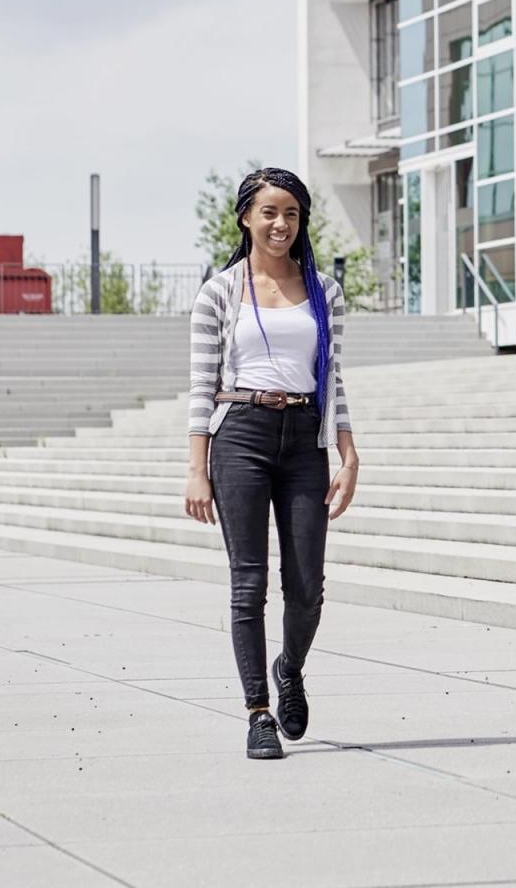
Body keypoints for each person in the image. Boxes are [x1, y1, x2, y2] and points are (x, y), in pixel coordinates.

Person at [184, 167, 358, 760]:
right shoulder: (220, 291)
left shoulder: (325, 291)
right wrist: (195, 465)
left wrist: (347, 449)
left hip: (305, 435)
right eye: (269, 212)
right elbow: (201, 384)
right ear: (245, 218)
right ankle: (258, 711)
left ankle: (290, 666)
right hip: (241, 434)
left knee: (307, 587)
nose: (280, 224)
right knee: (248, 584)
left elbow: (332, 375)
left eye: (291, 213)